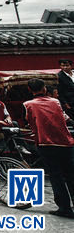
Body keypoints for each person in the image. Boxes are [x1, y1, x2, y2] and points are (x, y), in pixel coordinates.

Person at [24, 77, 74, 218]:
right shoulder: (55, 102)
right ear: (44, 88)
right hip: (65, 142)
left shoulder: (28, 105)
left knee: (56, 176)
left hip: (46, 143)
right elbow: (64, 118)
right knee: (71, 175)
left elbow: (30, 121)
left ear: (29, 90)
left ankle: (64, 207)